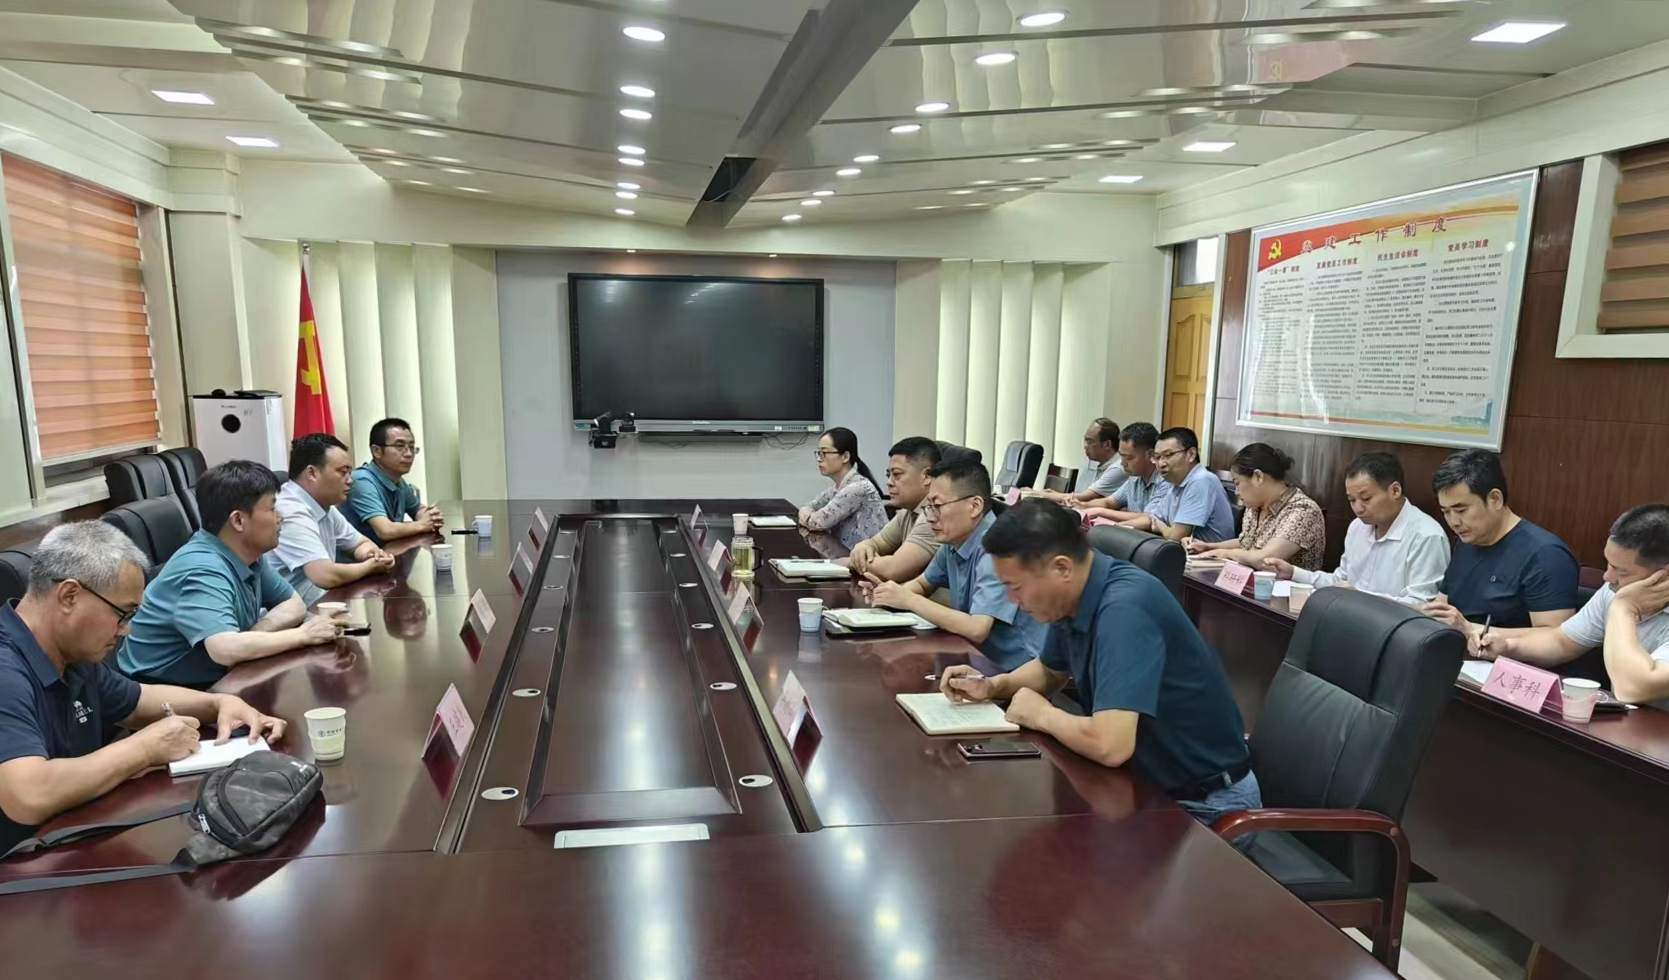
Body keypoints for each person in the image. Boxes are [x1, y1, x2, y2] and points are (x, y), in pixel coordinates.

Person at [942, 499, 1258, 823]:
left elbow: (1111, 745)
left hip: (1205, 805)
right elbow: (1049, 671)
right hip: (1141, 786)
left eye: (1016, 587)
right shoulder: (1073, 594)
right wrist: (993, 685)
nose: (1012, 599)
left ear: (1062, 568)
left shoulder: (1125, 610)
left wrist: (1042, 715)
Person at [0, 522, 285, 853]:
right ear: (69, 596)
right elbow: (28, 796)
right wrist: (145, 749)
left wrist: (219, 704)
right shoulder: (6, 669)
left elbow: (139, 700)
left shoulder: (71, 654)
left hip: (69, 839)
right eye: (123, 614)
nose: (126, 630)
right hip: (19, 868)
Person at [118, 460, 344, 687]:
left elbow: (293, 604)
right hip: (162, 688)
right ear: (238, 520)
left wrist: (256, 633)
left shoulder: (248, 555)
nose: (280, 517)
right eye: (272, 509)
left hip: (218, 675)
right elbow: (224, 650)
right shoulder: (202, 569)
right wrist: (303, 635)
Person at [865, 459, 1047, 672]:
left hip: (1019, 671)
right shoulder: (954, 541)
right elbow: (922, 584)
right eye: (928, 507)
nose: (930, 518)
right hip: (977, 659)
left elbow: (977, 628)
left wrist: (908, 600)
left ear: (974, 506)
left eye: (937, 506)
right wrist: (888, 594)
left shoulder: (998, 547)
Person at [1479, 505, 1669, 703]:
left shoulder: (1622, 599)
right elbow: (1562, 642)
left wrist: (1623, 609)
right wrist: (1508, 647)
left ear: (1665, 575)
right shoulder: (1615, 590)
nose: (1607, 577)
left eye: (1622, 572)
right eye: (1609, 564)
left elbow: (1632, 690)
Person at [1422, 449, 1577, 640]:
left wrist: (1469, 629)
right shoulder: (1467, 540)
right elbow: (1443, 606)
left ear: (1495, 499)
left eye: (1461, 510)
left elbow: (1556, 637)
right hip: (1453, 648)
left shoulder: (1546, 555)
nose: (1453, 522)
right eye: (1446, 512)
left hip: (1504, 657)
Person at [1263, 452, 1450, 605]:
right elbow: (1341, 582)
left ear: (1395, 491)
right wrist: (1293, 572)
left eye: (1366, 498)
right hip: (1352, 620)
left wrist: (1358, 596)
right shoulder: (1358, 526)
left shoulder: (1426, 536)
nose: (1358, 508)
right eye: (1352, 500)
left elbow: (1422, 606)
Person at [272, 434, 397, 608]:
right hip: (288, 615)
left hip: (318, 604)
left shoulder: (324, 505)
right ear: (312, 473)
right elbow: (325, 575)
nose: (350, 481)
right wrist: (370, 567)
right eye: (342, 472)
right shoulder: (289, 511)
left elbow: (359, 543)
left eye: (350, 472)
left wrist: (372, 555)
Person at [1190, 443, 1325, 571]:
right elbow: (1247, 544)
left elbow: (1266, 559)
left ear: (1258, 477)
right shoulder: (1255, 506)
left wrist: (1225, 553)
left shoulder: (1303, 510)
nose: (1236, 492)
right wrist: (1210, 547)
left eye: (1237, 483)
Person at [842, 437, 942, 582]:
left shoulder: (933, 515)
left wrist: (855, 560)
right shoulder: (907, 511)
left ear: (927, 476)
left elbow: (893, 570)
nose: (889, 483)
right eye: (888, 475)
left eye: (897, 475)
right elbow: (876, 543)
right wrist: (862, 546)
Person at [1114, 427, 1235, 544]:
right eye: (1157, 457)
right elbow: (1152, 519)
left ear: (1191, 454)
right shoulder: (1176, 483)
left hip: (1210, 556)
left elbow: (1176, 536)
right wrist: (1116, 527)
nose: (1161, 464)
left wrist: (1162, 527)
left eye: (1168, 455)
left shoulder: (1201, 481)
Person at [344, 418, 444, 546]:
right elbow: (385, 531)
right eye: (400, 446)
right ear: (376, 451)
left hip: (387, 552)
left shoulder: (397, 480)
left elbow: (417, 509)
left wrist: (430, 516)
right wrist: (422, 525)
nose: (409, 454)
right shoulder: (362, 481)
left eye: (412, 447)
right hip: (359, 557)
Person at [798, 426, 888, 551]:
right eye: (818, 453)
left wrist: (806, 515)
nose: (819, 459)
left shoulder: (857, 488)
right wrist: (806, 512)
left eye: (824, 453)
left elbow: (818, 523)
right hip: (847, 554)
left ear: (845, 457)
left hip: (869, 558)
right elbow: (809, 506)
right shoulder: (837, 487)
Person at [1075, 422, 1170, 522]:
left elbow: (1149, 518)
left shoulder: (1165, 480)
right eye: (1121, 456)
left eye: (1128, 458)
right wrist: (1082, 505)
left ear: (1150, 455)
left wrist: (1100, 512)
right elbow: (1109, 502)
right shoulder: (1134, 478)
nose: (1123, 463)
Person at [1039, 418, 1127, 504]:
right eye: (1085, 441)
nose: (1085, 446)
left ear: (1107, 444)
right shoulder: (1093, 462)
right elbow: (1078, 493)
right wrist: (1053, 494)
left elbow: (1083, 498)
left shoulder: (1118, 468)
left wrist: (1040, 494)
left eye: (1089, 442)